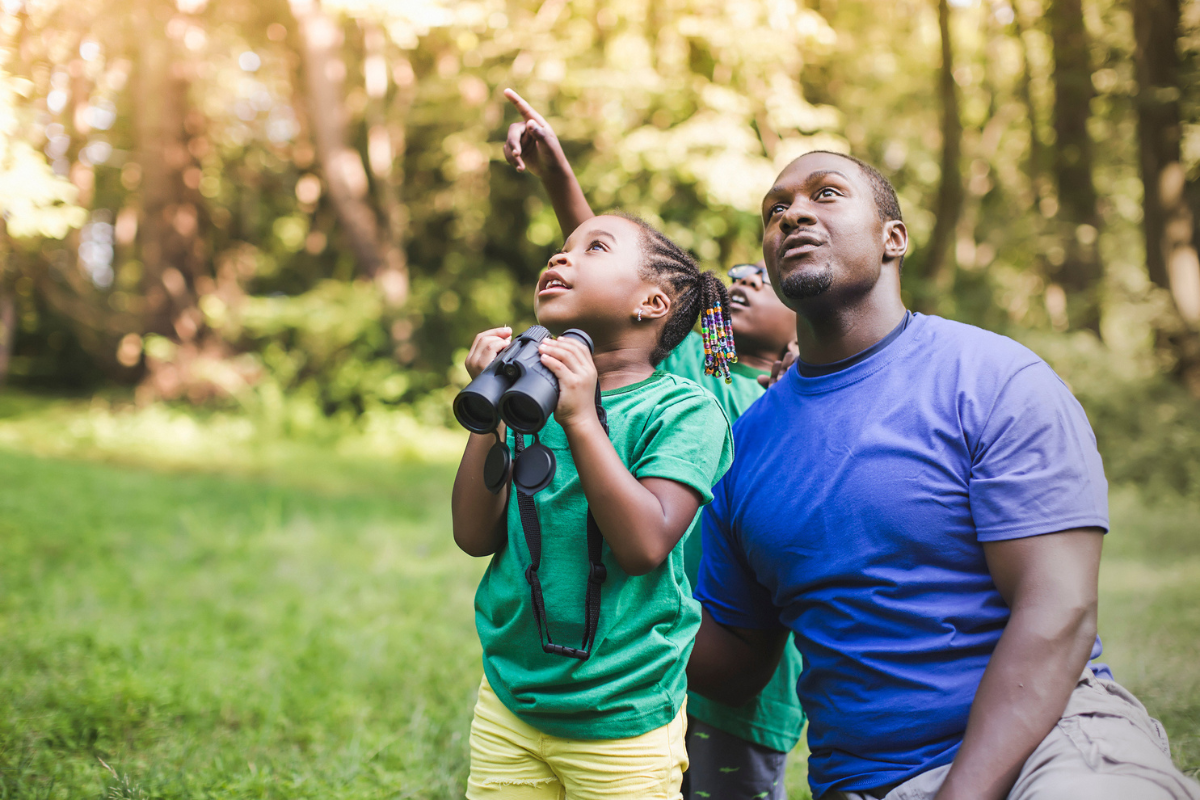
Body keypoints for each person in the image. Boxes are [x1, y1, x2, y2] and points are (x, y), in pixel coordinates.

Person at [687, 149, 1200, 800]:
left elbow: (1058, 610)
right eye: (776, 210)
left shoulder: (992, 380)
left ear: (892, 238)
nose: (793, 216)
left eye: (827, 194)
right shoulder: (746, 447)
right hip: (868, 783)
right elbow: (736, 663)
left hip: (1053, 745)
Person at [503, 88, 806, 800]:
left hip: (743, 673)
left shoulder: (799, 403)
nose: (743, 277)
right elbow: (620, 291)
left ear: (806, 325)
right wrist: (559, 179)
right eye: (739, 273)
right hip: (649, 645)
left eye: (766, 279)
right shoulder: (699, 368)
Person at [452, 211, 735, 799]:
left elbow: (643, 545)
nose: (561, 257)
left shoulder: (683, 412)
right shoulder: (529, 395)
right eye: (561, 247)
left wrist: (581, 418)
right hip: (513, 698)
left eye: (595, 247)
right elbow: (474, 536)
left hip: (622, 713)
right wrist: (487, 415)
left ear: (652, 303)